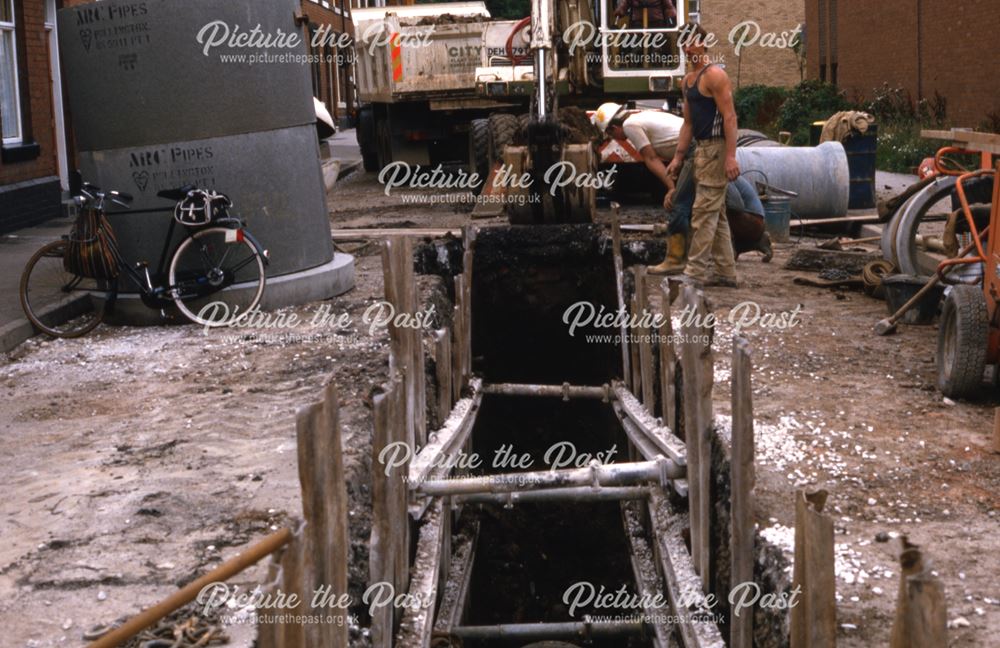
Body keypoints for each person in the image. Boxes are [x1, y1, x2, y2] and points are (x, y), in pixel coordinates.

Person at [664, 22, 741, 286]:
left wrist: (731, 156)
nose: (687, 49)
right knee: (715, 214)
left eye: (691, 42)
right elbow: (687, 123)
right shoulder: (687, 81)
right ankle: (726, 272)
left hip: (717, 149)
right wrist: (677, 157)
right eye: (683, 44)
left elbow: (730, 117)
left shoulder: (715, 75)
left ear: (702, 42)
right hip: (701, 151)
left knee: (703, 213)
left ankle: (694, 273)